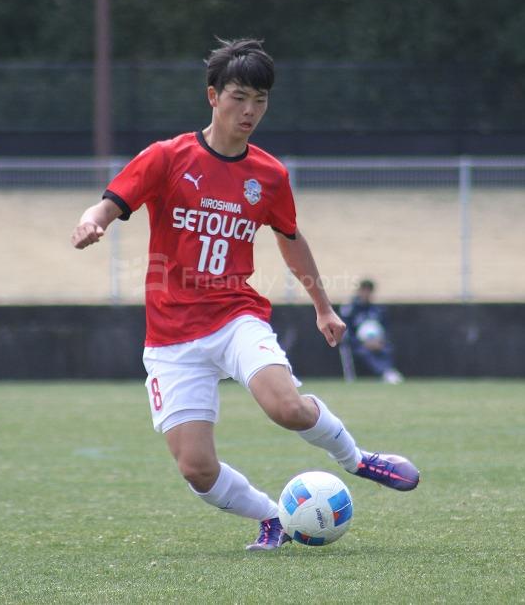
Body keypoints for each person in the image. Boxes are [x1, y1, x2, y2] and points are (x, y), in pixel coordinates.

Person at [70, 38, 419, 551]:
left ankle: (358, 460)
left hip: (236, 317)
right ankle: (275, 518)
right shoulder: (167, 158)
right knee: (196, 468)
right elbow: (111, 202)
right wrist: (90, 221)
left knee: (287, 408)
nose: (250, 110)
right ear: (213, 96)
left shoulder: (269, 175)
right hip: (170, 337)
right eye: (239, 96)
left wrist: (324, 307)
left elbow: (290, 240)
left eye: (260, 99)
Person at [340, 279, 405, 384]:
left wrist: (379, 341)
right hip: (358, 344)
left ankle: (388, 371)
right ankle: (384, 372)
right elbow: (346, 331)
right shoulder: (350, 310)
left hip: (377, 341)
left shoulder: (377, 310)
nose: (366, 294)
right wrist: (362, 342)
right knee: (365, 352)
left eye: (369, 291)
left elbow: (384, 328)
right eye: (364, 290)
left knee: (386, 349)